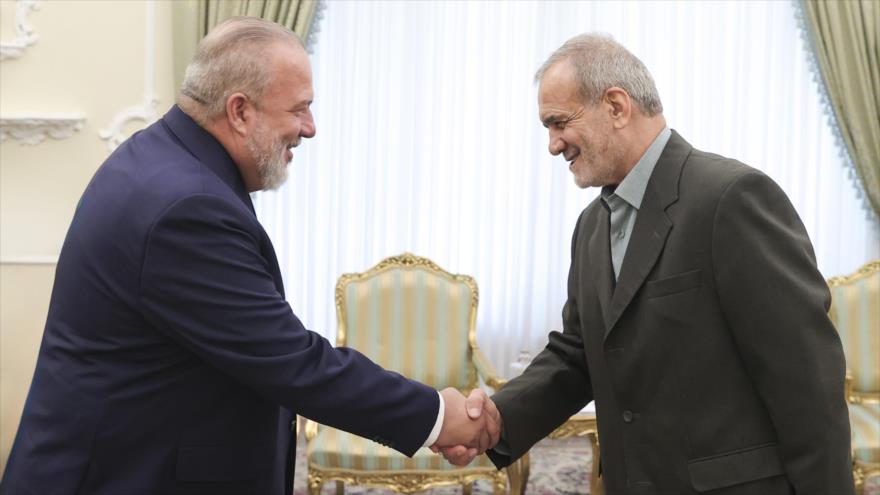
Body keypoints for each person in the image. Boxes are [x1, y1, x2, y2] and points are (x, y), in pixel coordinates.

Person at [0, 17, 494, 495]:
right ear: (239, 111)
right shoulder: (185, 207)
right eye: (299, 108)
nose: (310, 127)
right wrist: (438, 416)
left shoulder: (163, 161)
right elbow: (290, 360)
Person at [441, 33, 854, 494]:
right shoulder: (592, 226)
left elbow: (807, 386)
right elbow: (577, 353)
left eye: (559, 123)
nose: (554, 145)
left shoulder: (731, 200)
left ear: (617, 106)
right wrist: (499, 417)